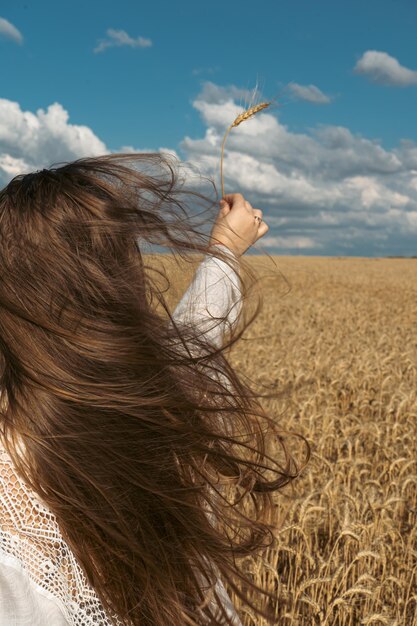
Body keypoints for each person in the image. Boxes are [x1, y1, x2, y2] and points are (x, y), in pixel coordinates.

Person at [0, 153, 306, 625]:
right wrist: (223, 252)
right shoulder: (166, 404)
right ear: (125, 287)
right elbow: (196, 339)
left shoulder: (11, 518)